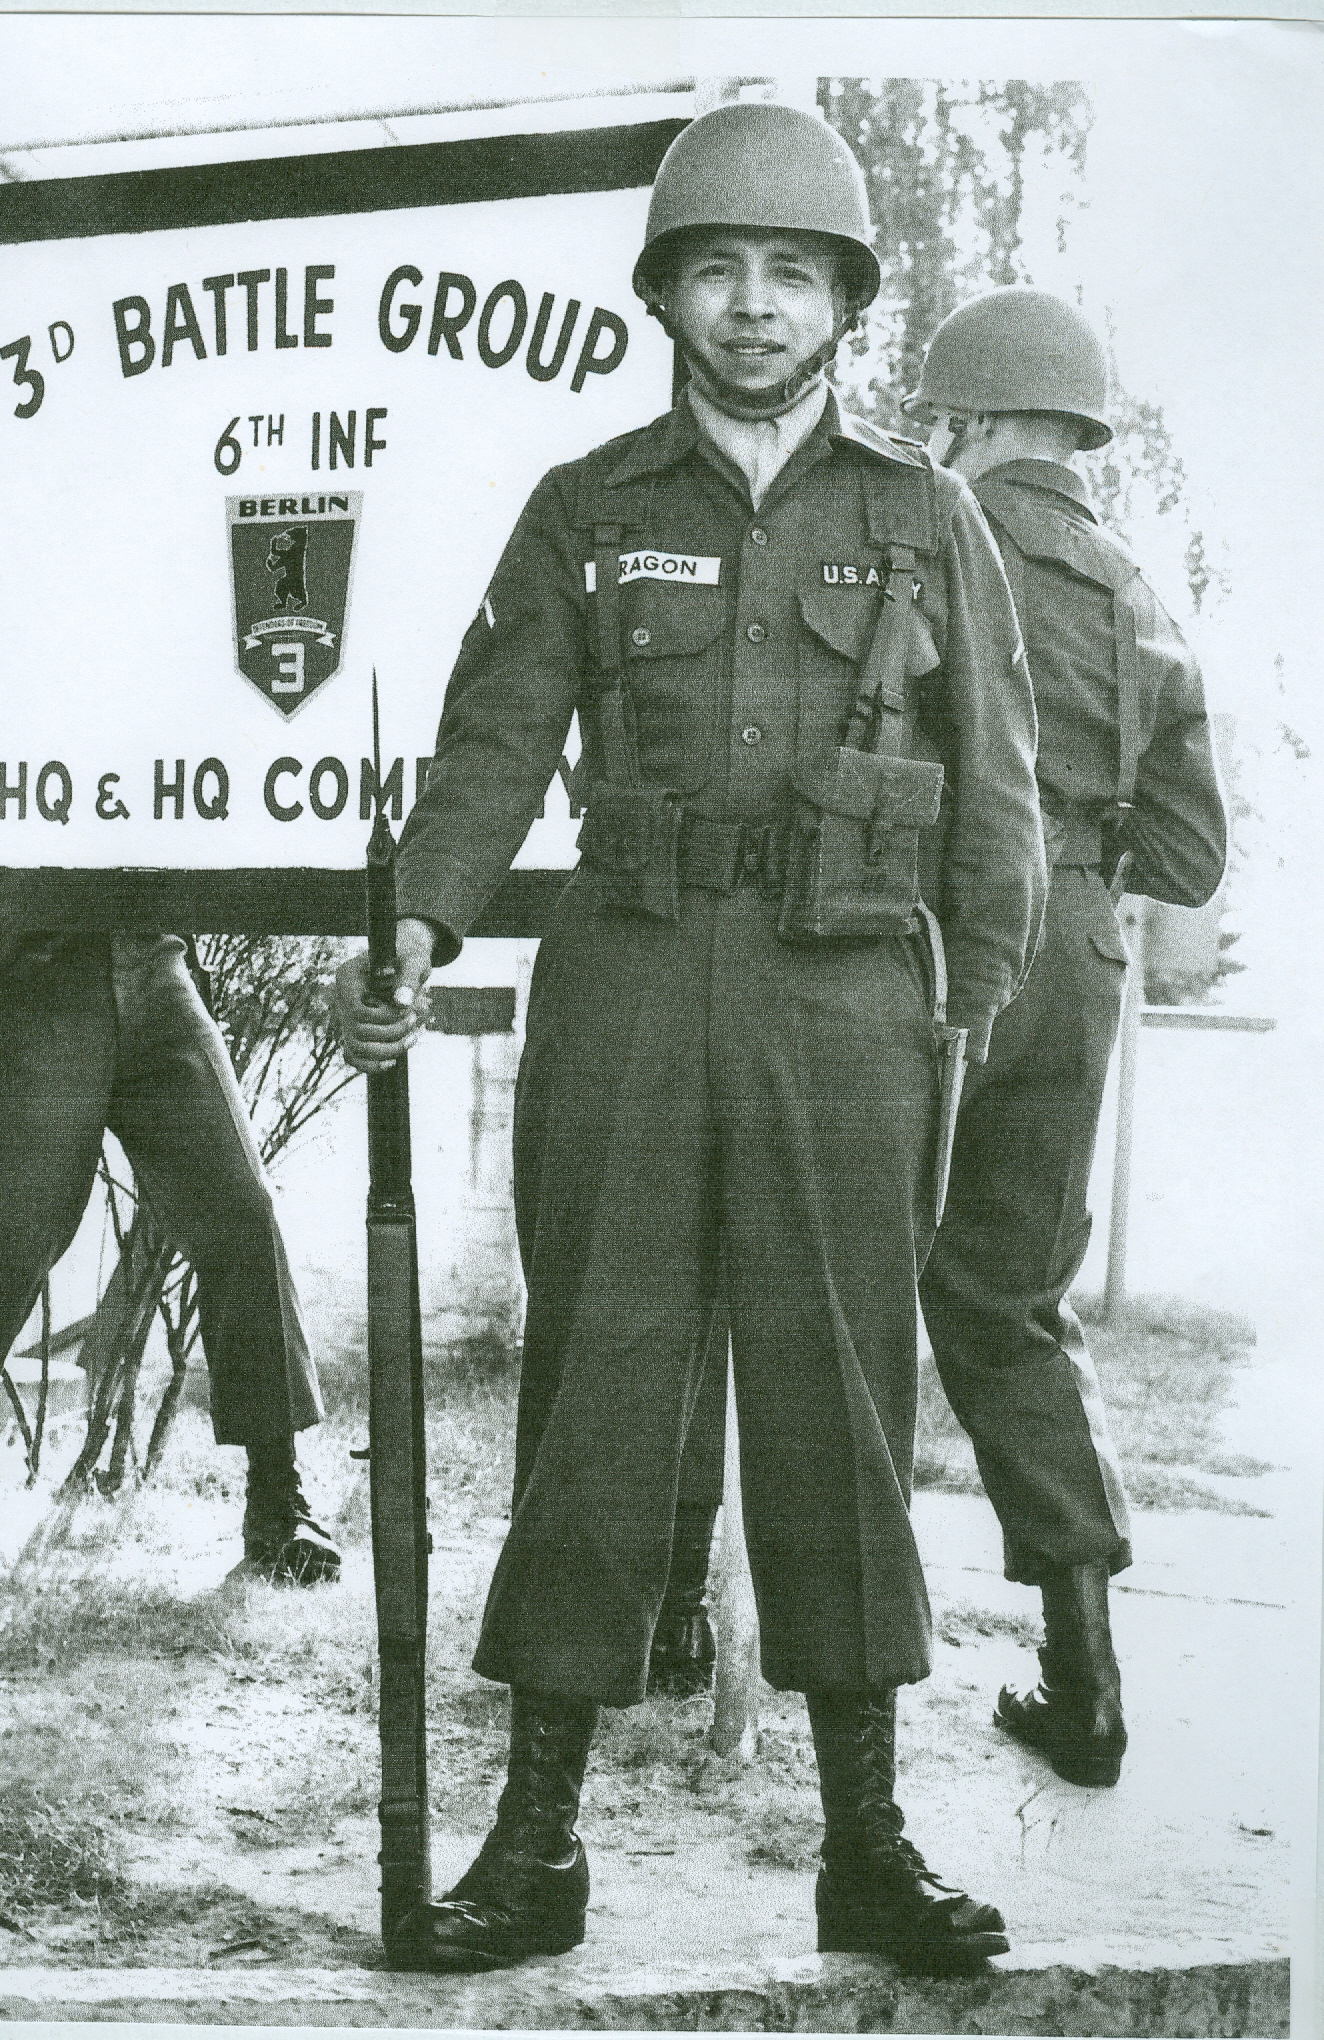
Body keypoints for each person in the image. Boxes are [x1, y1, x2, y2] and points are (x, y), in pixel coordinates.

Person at [336, 102, 1046, 1976]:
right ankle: (536, 1847)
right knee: (597, 1398)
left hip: (848, 1009)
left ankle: (867, 1848)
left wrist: (964, 1006)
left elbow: (998, 793)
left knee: (841, 1407)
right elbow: (496, 738)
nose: (753, 305)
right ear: (663, 293)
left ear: (845, 305)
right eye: (718, 269)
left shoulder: (929, 517)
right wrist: (419, 913)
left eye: (793, 274)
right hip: (632, 986)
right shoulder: (589, 507)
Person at [899, 287, 1227, 1784]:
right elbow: (1191, 856)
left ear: (968, 419)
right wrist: (1084, 863)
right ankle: (1084, 1678)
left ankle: (739, 1648)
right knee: (1013, 1300)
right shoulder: (1141, 592)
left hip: (926, 945)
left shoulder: (931, 534)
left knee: (830, 1271)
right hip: (1080, 955)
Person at [0, 679, 341, 1587]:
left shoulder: (123, 600)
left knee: (239, 1208)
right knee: (12, 1248)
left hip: (143, 953)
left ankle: (280, 1504)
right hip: (23, 966)